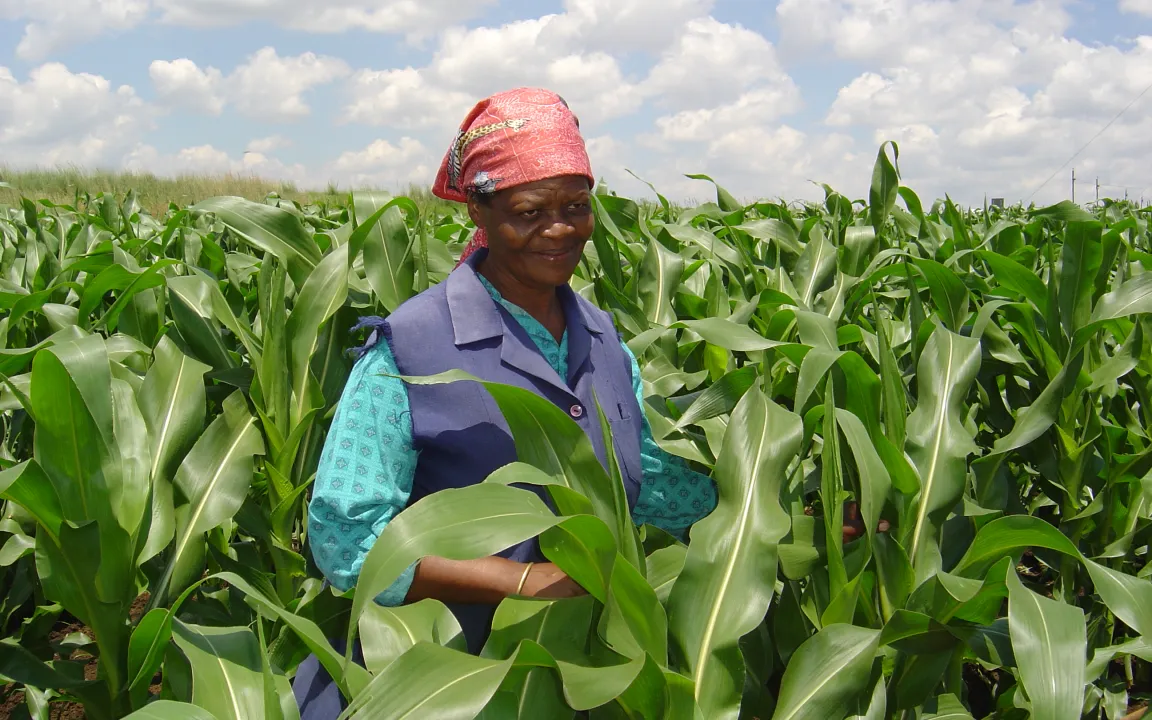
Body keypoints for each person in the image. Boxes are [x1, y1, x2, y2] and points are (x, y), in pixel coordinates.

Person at [292, 87, 719, 718]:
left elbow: (648, 479)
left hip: (581, 677)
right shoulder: (409, 348)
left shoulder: (604, 340)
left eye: (577, 206)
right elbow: (348, 541)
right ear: (481, 214)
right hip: (436, 677)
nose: (559, 229)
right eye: (528, 211)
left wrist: (775, 517)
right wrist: (522, 583)